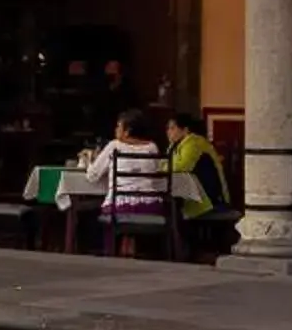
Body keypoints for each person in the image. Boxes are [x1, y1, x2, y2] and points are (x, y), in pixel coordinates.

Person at [84, 109, 171, 250]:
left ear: (127, 130)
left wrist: (89, 160)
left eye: (118, 126)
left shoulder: (114, 146)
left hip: (120, 208)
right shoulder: (152, 148)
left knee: (94, 217)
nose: (115, 130)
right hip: (150, 207)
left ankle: (110, 255)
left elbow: (92, 176)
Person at [164, 110, 237, 255]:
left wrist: (162, 166)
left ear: (185, 130)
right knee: (174, 207)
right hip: (193, 194)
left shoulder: (194, 142)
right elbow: (168, 165)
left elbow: (182, 166)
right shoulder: (174, 146)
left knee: (177, 210)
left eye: (172, 128)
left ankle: (185, 251)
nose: (168, 132)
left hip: (212, 198)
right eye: (167, 128)